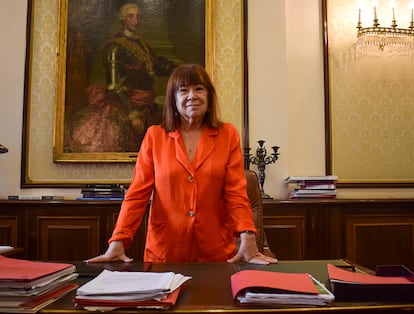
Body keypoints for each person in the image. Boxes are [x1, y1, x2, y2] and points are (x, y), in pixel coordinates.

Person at [86, 64, 278, 265]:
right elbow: (137, 194)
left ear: (209, 97)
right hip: (165, 252)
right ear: (173, 99)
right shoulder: (155, 136)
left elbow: (236, 193)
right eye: (183, 90)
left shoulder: (228, 135)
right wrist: (119, 240)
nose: (192, 96)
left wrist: (248, 237)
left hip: (216, 252)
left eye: (199, 89)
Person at [103, 2, 177, 151]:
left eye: (137, 17)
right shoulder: (115, 48)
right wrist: (132, 114)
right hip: (127, 106)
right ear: (122, 19)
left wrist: (178, 70)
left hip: (147, 102)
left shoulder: (141, 43)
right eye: (131, 17)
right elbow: (114, 86)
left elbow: (155, 65)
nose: (135, 21)